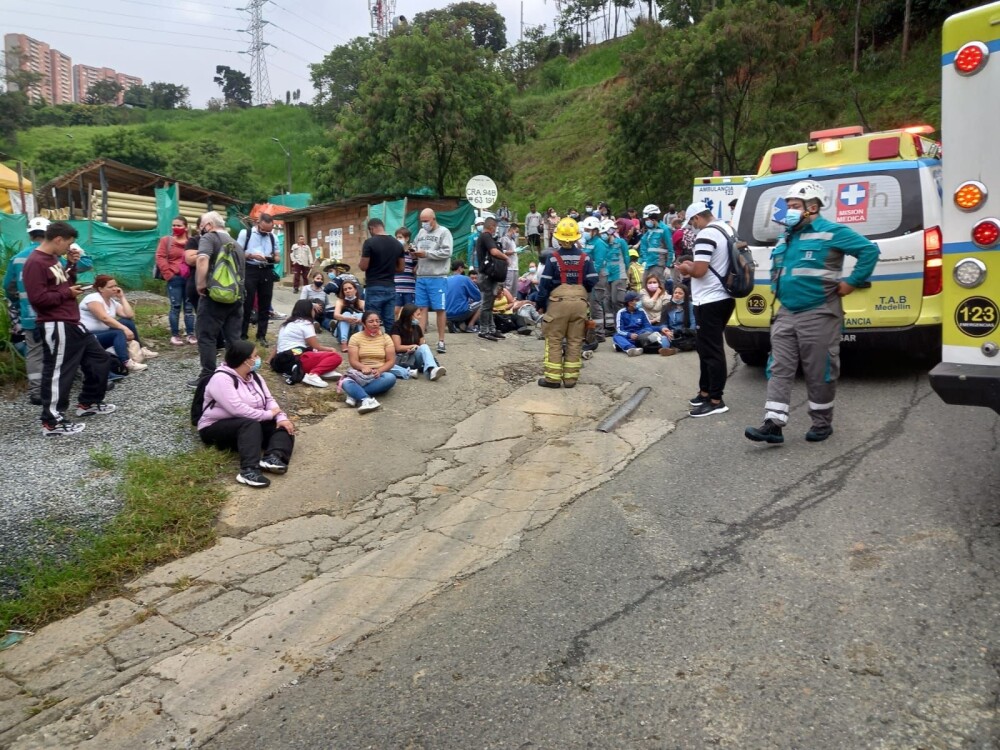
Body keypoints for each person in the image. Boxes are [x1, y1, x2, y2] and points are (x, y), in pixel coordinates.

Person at [745, 180, 880, 445]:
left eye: (795, 206)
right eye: (789, 206)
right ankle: (773, 424)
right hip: (786, 312)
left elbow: (868, 251)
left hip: (820, 312)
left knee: (820, 370)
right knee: (779, 367)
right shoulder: (787, 236)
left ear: (813, 207)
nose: (790, 211)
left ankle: (821, 422)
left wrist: (851, 282)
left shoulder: (832, 231)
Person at [22, 222, 115, 436]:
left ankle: (89, 402)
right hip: (56, 323)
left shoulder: (54, 259)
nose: (69, 248)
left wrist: (71, 268)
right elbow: (38, 299)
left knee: (99, 359)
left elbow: (61, 284)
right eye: (69, 244)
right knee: (58, 372)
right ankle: (52, 421)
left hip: (72, 321)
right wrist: (68, 294)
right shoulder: (35, 262)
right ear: (58, 239)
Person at [4, 217, 93, 405]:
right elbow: (72, 277)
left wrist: (20, 304)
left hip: (29, 314)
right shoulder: (50, 257)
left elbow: (9, 287)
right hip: (54, 313)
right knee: (65, 348)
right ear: (53, 236)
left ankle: (37, 392)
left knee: (35, 352)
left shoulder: (17, 257)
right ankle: (62, 389)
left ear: (30, 234)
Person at [197, 340, 295, 488]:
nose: (258, 359)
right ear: (245, 360)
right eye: (255, 356)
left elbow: (269, 399)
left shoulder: (254, 376)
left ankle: (273, 458)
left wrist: (280, 417)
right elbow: (237, 409)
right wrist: (269, 415)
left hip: (248, 426)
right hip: (214, 428)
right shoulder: (221, 379)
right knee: (250, 423)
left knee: (284, 426)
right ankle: (248, 470)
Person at [676, 201, 737, 417]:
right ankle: (704, 392)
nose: (693, 227)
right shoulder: (728, 229)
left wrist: (685, 267)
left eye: (692, 223)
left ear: (696, 218)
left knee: (711, 351)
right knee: (705, 347)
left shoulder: (706, 235)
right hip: (726, 296)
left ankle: (715, 400)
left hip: (709, 299)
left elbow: (700, 270)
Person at [535, 217, 597, 389]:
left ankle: (553, 379)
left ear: (559, 238)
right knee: (575, 340)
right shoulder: (585, 258)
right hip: (579, 302)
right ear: (577, 237)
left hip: (558, 303)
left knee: (554, 339)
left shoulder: (553, 259)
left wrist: (540, 302)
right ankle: (570, 379)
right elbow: (592, 280)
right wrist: (578, 291)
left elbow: (545, 283)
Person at [192, 211, 246, 385]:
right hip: (236, 298)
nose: (201, 230)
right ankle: (234, 375)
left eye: (202, 227)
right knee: (233, 338)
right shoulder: (237, 244)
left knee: (206, 336)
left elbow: (201, 259)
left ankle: (207, 375)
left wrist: (200, 283)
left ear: (208, 225)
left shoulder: (210, 238)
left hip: (214, 297)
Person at [79, 275, 155, 373]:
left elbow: (129, 315)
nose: (115, 289)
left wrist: (122, 297)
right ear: (100, 289)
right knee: (119, 332)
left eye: (116, 286)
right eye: (111, 287)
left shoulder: (112, 302)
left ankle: (139, 350)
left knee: (127, 322)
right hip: (90, 336)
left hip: (104, 333)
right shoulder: (93, 298)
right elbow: (104, 318)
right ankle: (126, 362)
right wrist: (124, 329)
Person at [273, 299, 343, 388]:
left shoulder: (287, 324)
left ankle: (322, 370)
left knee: (313, 352)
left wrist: (269, 360)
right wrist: (331, 349)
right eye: (313, 309)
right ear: (309, 311)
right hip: (294, 359)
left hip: (280, 362)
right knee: (335, 357)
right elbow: (316, 346)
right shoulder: (306, 324)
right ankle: (313, 374)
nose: (314, 312)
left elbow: (277, 345)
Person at [341, 309, 397, 414]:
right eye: (371, 321)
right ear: (363, 323)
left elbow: (391, 360)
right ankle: (366, 399)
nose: (375, 324)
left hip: (379, 375)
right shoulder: (355, 338)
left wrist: (380, 370)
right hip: (361, 373)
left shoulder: (386, 338)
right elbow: (353, 361)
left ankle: (354, 394)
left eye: (377, 321)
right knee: (344, 382)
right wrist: (362, 367)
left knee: (390, 378)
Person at [412, 208, 452, 354]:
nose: (424, 224)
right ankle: (421, 340)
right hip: (422, 277)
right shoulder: (421, 233)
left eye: (426, 221)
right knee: (422, 309)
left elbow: (447, 252)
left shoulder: (444, 232)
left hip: (438, 277)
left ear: (433, 219)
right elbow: (416, 246)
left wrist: (427, 253)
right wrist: (413, 250)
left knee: (440, 309)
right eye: (422, 221)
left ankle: (441, 341)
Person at [237, 213, 279, 345]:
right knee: (247, 303)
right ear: (257, 223)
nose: (266, 232)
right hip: (250, 269)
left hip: (266, 270)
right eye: (263, 230)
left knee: (265, 304)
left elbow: (278, 257)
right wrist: (251, 255)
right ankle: (242, 335)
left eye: (269, 230)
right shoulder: (246, 233)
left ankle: (261, 336)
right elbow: (237, 253)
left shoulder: (273, 237)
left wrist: (269, 258)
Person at [156, 215, 197, 346]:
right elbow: (160, 257)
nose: (175, 228)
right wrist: (168, 274)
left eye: (179, 225)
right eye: (173, 225)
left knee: (189, 308)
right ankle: (175, 335)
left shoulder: (192, 241)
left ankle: (191, 334)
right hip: (175, 278)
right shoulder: (166, 241)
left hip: (190, 278)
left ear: (185, 227)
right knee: (175, 307)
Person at [359, 217, 404, 330]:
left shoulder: (369, 243)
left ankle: (373, 346)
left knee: (372, 320)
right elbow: (401, 268)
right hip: (390, 287)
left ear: (371, 228)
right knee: (390, 320)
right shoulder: (397, 244)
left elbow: (364, 266)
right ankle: (391, 345)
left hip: (374, 286)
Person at [390, 302, 446, 381]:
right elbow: (397, 347)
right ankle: (431, 370)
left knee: (424, 346)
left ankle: (432, 369)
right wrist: (412, 347)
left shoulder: (416, 327)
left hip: (414, 358)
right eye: (418, 314)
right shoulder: (397, 326)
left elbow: (423, 345)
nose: (420, 317)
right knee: (422, 347)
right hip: (402, 359)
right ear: (410, 316)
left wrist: (418, 348)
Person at [475, 216, 507, 342]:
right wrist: (505, 257)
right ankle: (484, 330)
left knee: (490, 303)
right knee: (486, 303)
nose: (496, 229)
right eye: (495, 227)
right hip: (486, 274)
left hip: (488, 274)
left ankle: (491, 328)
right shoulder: (486, 236)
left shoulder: (484, 237)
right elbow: (494, 251)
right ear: (491, 226)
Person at [580, 216, 611, 338]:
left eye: (588, 230)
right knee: (590, 304)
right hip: (589, 276)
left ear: (595, 230)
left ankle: (599, 333)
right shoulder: (588, 243)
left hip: (598, 276)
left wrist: (590, 277)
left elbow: (598, 263)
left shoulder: (600, 244)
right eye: (585, 230)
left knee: (595, 303)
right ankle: (591, 330)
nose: (586, 232)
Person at [613, 291, 666, 356]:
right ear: (630, 302)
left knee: (648, 332)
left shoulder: (641, 311)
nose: (639, 302)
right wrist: (629, 335)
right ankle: (630, 348)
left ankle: (622, 346)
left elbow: (648, 326)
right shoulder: (621, 312)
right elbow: (619, 330)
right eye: (637, 300)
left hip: (640, 335)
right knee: (616, 336)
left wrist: (661, 328)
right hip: (627, 335)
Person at [639, 203, 673, 285]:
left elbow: (670, 249)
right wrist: (643, 260)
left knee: (658, 287)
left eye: (647, 219)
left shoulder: (664, 229)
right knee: (645, 286)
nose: (646, 221)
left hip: (659, 264)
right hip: (648, 263)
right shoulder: (649, 231)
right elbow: (644, 245)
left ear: (653, 218)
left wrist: (668, 266)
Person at [445, 261, 482, 333]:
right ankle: (470, 326)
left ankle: (454, 323)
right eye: (463, 268)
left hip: (446, 314)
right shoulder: (464, 279)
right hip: (460, 312)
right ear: (459, 268)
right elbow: (478, 297)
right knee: (483, 302)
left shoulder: (446, 279)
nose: (463, 270)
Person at [657, 284, 694, 355]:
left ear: (685, 295)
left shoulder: (690, 306)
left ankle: (674, 347)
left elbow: (693, 323)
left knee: (689, 341)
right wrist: (665, 329)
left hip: (684, 333)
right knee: (664, 337)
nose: (677, 295)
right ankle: (667, 349)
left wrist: (691, 333)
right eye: (675, 293)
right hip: (671, 333)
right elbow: (663, 323)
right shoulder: (667, 306)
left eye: (680, 293)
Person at [333, 280, 365, 351]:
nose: (347, 291)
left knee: (361, 315)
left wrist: (361, 319)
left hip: (357, 330)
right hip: (344, 332)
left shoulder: (362, 302)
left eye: (350, 288)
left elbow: (368, 316)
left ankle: (359, 341)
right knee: (346, 314)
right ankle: (344, 342)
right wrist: (346, 318)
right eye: (345, 289)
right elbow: (336, 315)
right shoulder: (340, 302)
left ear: (355, 290)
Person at [393, 226, 417, 318]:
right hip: (397, 287)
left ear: (407, 238)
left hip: (409, 288)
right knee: (396, 310)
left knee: (410, 312)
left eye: (400, 237)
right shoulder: (394, 252)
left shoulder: (412, 253)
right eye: (397, 237)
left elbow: (415, 270)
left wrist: (415, 257)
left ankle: (409, 329)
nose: (398, 239)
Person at [500, 222, 520, 295]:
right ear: (512, 229)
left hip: (515, 266)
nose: (516, 233)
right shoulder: (504, 239)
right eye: (516, 231)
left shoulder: (512, 240)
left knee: (515, 287)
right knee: (508, 286)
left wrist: (517, 251)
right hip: (509, 267)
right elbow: (502, 251)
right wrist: (514, 251)